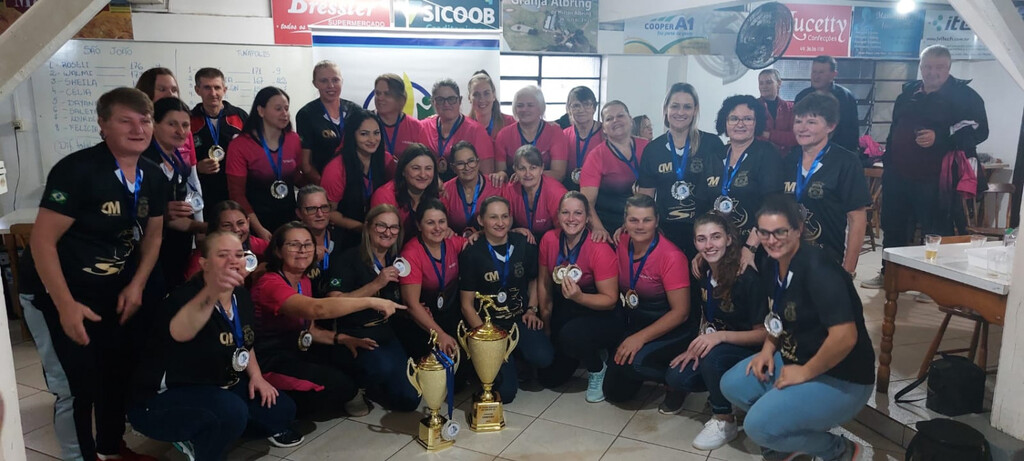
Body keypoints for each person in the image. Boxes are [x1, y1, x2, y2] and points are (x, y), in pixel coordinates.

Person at [19, 87, 166, 461]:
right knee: (75, 387)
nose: (138, 129)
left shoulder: (152, 174)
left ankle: (111, 449)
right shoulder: (77, 170)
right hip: (56, 294)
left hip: (113, 292)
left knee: (117, 373)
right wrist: (65, 304)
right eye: (125, 121)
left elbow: (154, 233)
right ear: (102, 125)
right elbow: (41, 242)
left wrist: (137, 285)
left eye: (144, 121)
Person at [720, 194, 875, 461]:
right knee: (732, 385)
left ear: (799, 229)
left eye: (780, 231)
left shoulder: (819, 268)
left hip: (842, 376)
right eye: (765, 233)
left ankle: (840, 451)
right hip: (796, 356)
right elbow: (779, 313)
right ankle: (788, 445)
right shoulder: (771, 262)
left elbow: (845, 337)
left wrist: (805, 372)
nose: (772, 240)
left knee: (757, 426)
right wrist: (768, 349)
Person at [128, 231, 302, 460]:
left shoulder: (241, 296)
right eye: (223, 255)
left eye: (239, 254)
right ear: (204, 263)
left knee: (282, 411)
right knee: (231, 412)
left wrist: (258, 377)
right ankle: (200, 444)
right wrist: (213, 290)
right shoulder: (183, 298)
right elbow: (182, 330)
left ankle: (212, 429)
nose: (233, 261)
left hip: (218, 384)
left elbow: (245, 343)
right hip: (164, 396)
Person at [862, 44, 989, 289]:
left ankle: (933, 281)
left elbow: (980, 131)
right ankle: (890, 275)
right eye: (928, 66)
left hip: (936, 178)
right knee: (893, 226)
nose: (933, 72)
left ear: (949, 67)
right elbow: (894, 130)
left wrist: (940, 137)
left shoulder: (965, 97)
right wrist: (888, 163)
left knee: (935, 230)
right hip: (898, 174)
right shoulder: (908, 93)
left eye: (939, 67)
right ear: (921, 67)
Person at [251, 222, 406, 418]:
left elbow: (310, 329)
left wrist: (342, 338)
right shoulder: (270, 283)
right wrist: (371, 301)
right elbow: (317, 309)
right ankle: (273, 410)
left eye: (307, 244)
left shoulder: (303, 280)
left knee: (348, 373)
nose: (302, 250)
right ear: (278, 251)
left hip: (297, 350)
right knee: (337, 388)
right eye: (294, 245)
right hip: (269, 360)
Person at [664, 213, 767, 449]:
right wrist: (698, 344)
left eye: (715, 237)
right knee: (677, 376)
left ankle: (724, 419)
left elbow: (764, 335)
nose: (709, 245)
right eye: (701, 239)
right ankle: (725, 396)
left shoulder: (747, 277)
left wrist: (718, 337)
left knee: (713, 355)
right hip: (719, 347)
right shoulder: (703, 271)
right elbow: (707, 315)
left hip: (750, 353)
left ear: (729, 240)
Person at [323, 205, 422, 411]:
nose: (388, 232)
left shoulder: (396, 261)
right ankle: (355, 386)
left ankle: (377, 385)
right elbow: (334, 301)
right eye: (382, 226)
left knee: (409, 401)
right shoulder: (347, 259)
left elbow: (393, 300)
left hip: (385, 332)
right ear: (368, 227)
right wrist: (376, 284)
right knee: (381, 368)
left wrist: (412, 309)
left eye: (394, 227)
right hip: (355, 333)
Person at [459, 196, 554, 403]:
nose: (500, 223)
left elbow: (533, 279)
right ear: (481, 220)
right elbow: (466, 305)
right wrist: (488, 337)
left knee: (544, 357)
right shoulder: (472, 253)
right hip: (490, 326)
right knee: (507, 394)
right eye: (493, 217)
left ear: (511, 219)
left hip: (518, 320)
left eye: (504, 216)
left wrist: (531, 309)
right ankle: (491, 365)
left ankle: (515, 360)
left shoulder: (523, 244)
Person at [604, 194, 694, 406]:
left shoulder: (670, 256)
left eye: (647, 220)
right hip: (636, 322)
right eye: (633, 220)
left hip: (671, 329)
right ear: (625, 222)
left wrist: (640, 338)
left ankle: (676, 380)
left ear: (657, 221)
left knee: (632, 365)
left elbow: (681, 313)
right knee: (614, 393)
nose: (640, 226)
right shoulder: (621, 242)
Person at [536, 192, 620, 401]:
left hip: (599, 312)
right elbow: (544, 283)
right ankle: (587, 349)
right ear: (558, 215)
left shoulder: (599, 247)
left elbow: (610, 301)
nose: (571, 219)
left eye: (578, 213)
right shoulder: (549, 239)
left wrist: (580, 297)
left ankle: (597, 368)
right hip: (567, 309)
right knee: (549, 378)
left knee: (571, 337)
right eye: (565, 212)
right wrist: (546, 322)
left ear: (588, 218)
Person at [782, 93, 870, 274]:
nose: (802, 128)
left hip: (827, 259)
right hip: (788, 257)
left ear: (831, 126)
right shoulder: (789, 160)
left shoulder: (846, 162)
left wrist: (848, 269)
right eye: (798, 121)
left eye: (811, 122)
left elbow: (857, 219)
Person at [637, 83, 725, 261]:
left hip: (706, 234)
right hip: (666, 232)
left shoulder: (712, 144)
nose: (680, 112)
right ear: (666, 109)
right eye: (675, 106)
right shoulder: (652, 150)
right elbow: (645, 199)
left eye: (687, 107)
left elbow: (721, 192)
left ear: (695, 110)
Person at [705, 95, 783, 273]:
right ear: (725, 122)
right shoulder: (715, 156)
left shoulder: (767, 153)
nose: (740, 124)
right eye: (733, 118)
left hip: (756, 247)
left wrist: (750, 248)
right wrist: (704, 245)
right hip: (719, 247)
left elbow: (771, 207)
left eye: (747, 118)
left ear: (757, 123)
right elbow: (705, 205)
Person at [142, 97, 206, 291]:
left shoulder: (180, 158)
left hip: (178, 245)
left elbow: (176, 216)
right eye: (172, 124)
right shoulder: (143, 162)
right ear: (155, 124)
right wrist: (160, 212)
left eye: (185, 125)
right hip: (148, 252)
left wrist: (206, 227)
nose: (181, 131)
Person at [226, 86, 302, 240]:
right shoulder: (240, 145)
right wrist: (259, 229)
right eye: (278, 109)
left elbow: (298, 177)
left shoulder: (293, 139)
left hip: (289, 220)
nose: (285, 114)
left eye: (286, 108)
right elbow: (237, 194)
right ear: (261, 111)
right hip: (256, 223)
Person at [396, 199, 468, 359]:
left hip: (448, 316)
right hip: (421, 324)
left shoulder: (452, 243)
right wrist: (440, 335)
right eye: (430, 222)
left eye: (442, 222)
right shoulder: (411, 254)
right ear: (418, 225)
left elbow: (479, 243)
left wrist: (479, 233)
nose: (437, 228)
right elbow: (412, 304)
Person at [322, 109, 398, 251]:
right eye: (364, 134)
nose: (372, 139)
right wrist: (362, 229)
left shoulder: (385, 159)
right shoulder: (336, 168)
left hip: (380, 235)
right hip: (347, 237)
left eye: (376, 133)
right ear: (352, 135)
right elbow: (329, 213)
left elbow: (407, 174)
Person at [580, 101, 649, 242]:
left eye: (620, 116)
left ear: (630, 120)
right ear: (603, 128)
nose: (615, 121)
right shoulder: (596, 156)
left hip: (644, 219)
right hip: (608, 223)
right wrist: (599, 228)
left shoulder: (647, 147)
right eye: (609, 119)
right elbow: (587, 202)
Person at [295, 61, 361, 185]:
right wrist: (326, 188)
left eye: (335, 80)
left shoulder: (356, 111)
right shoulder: (306, 115)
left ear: (342, 81)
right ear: (315, 83)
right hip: (323, 186)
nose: (331, 85)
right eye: (324, 81)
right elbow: (306, 164)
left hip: (355, 185)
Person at [190, 67, 248, 209]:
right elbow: (178, 157)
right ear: (197, 90)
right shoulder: (188, 119)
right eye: (207, 88)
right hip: (204, 193)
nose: (213, 93)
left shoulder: (240, 116)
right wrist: (196, 168)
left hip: (238, 191)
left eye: (217, 87)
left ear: (225, 89)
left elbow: (253, 152)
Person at [421, 79, 495, 179]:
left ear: (459, 101)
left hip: (463, 190)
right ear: (433, 102)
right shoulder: (423, 127)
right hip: (427, 187)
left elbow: (487, 175)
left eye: (451, 99)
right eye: (440, 100)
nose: (446, 104)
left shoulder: (476, 131)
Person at [370, 143, 441, 241]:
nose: (423, 175)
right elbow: (380, 237)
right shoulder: (385, 196)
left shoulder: (439, 194)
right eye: (416, 168)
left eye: (428, 168)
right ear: (403, 170)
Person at [495, 86, 569, 180]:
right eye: (520, 105)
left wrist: (526, 176)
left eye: (530, 105)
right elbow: (501, 174)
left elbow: (559, 174)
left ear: (540, 107)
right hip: (514, 188)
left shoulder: (555, 132)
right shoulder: (503, 135)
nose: (524, 109)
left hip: (547, 188)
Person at [184, 200, 269, 280]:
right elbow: (191, 292)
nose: (236, 229)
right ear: (215, 228)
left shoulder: (257, 245)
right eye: (227, 225)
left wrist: (267, 266)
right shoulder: (201, 259)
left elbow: (279, 256)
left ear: (248, 222)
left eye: (241, 223)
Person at [501, 145, 568, 242]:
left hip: (552, 238)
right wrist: (512, 231)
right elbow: (505, 222)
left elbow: (564, 229)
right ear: (515, 169)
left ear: (542, 168)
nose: (527, 174)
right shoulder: (510, 189)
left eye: (533, 168)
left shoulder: (556, 192)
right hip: (524, 238)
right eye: (522, 168)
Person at [793, 56, 860, 153]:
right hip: (808, 152)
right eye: (814, 72)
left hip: (839, 153)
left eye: (821, 72)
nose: (816, 76)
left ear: (833, 74)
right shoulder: (802, 96)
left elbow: (852, 132)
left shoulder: (846, 97)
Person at [135, 67, 197, 165]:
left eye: (174, 90)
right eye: (162, 89)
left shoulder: (184, 131)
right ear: (146, 93)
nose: (170, 94)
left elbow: (192, 176)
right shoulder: (136, 131)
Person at [441, 141, 501, 235]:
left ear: (478, 162)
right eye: (460, 163)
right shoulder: (445, 190)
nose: (467, 167)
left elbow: (508, 219)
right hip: (457, 243)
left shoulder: (496, 185)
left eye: (471, 161)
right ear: (453, 168)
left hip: (490, 241)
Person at [293, 185, 337, 297]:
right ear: (299, 213)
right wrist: (308, 257)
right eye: (311, 209)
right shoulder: (290, 243)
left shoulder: (342, 239)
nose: (320, 214)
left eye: (324, 207)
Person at [373, 73, 428, 157]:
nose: (380, 98)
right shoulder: (365, 122)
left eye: (387, 94)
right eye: (378, 93)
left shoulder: (416, 127)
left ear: (400, 98)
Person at [563, 86, 604, 191]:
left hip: (601, 189)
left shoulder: (605, 132)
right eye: (576, 106)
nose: (581, 110)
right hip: (570, 188)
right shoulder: (564, 135)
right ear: (568, 109)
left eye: (586, 105)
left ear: (594, 108)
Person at [757, 68, 797, 156]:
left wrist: (768, 135)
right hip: (759, 156)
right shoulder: (752, 107)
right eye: (761, 83)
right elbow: (752, 135)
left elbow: (795, 137)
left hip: (785, 158)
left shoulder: (790, 108)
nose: (764, 86)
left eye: (769, 82)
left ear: (779, 83)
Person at [467, 70, 515, 139]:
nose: (481, 99)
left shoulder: (511, 123)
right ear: (469, 98)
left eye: (486, 93)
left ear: (493, 95)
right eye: (476, 94)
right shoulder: (463, 126)